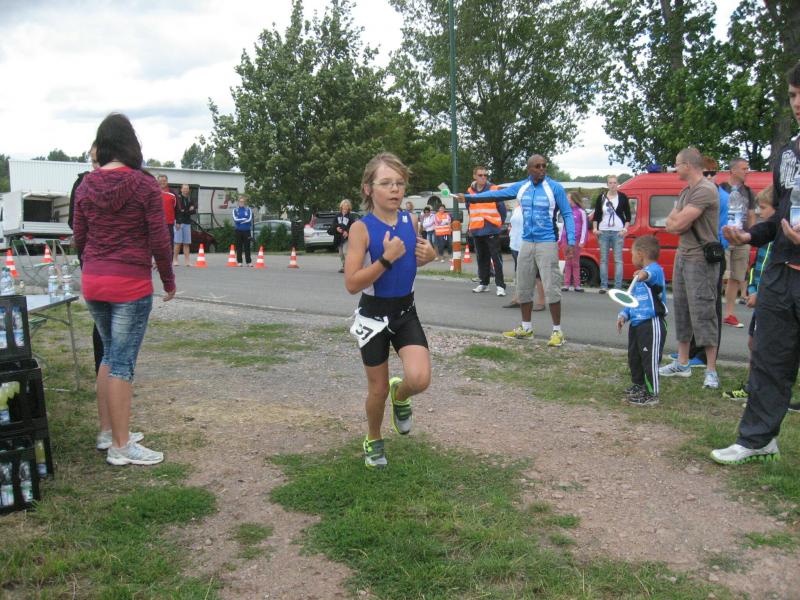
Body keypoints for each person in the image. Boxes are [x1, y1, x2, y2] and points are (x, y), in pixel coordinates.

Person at [73, 112, 175, 466]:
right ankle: (121, 445)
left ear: (102, 145)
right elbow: (159, 239)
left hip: (94, 280)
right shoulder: (144, 185)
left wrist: (92, 269)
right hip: (129, 283)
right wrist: (168, 279)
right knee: (122, 363)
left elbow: (80, 237)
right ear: (131, 144)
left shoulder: (85, 185)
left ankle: (108, 432)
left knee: (108, 355)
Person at [711, 60, 800, 464]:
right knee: (768, 360)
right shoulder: (789, 153)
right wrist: (749, 236)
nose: (796, 103)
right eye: (793, 95)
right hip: (781, 274)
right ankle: (758, 440)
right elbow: (779, 215)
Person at [344, 152, 437, 469]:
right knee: (377, 389)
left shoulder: (411, 221)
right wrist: (385, 259)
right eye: (386, 183)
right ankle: (373, 438)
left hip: (405, 311)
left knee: (420, 379)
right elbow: (352, 283)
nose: (395, 189)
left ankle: (402, 394)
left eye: (399, 183)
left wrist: (430, 256)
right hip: (373, 317)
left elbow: (414, 260)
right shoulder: (361, 228)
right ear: (368, 189)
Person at [456, 154, 575, 347]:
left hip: (547, 242)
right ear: (529, 169)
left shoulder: (554, 188)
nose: (542, 169)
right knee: (524, 286)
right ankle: (526, 328)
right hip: (526, 242)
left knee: (551, 287)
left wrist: (571, 240)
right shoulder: (522, 186)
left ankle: (557, 331)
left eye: (544, 166)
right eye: (537, 166)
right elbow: (495, 195)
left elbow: (567, 214)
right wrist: (469, 197)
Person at [659, 147, 721, 389]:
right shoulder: (686, 191)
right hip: (683, 255)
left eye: (677, 164)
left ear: (688, 165)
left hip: (700, 259)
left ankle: (711, 370)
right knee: (682, 308)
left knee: (704, 310)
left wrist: (677, 223)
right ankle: (682, 363)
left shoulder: (705, 189)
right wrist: (676, 223)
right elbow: (670, 224)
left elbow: (678, 223)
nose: (674, 168)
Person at [722, 186, 774, 402]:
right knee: (753, 342)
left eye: (764, 208)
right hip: (760, 296)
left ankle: (762, 391)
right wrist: (752, 289)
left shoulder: (783, 238)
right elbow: (756, 267)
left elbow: (777, 272)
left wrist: (761, 293)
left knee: (765, 346)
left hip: (772, 298)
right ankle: (753, 386)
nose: (760, 213)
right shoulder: (764, 236)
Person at [616, 236, 668, 407]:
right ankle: (638, 385)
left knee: (649, 359)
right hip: (636, 324)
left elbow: (650, 274)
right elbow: (631, 300)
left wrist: (642, 274)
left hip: (651, 324)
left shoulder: (654, 271)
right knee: (634, 357)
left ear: (640, 254)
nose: (631, 258)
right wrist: (624, 315)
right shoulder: (637, 279)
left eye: (632, 254)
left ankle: (652, 393)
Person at [68, 143, 104, 375]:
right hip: (92, 258)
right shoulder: (82, 183)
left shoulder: (128, 182)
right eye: (93, 161)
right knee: (101, 317)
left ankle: (113, 371)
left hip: (118, 262)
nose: (96, 165)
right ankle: (102, 370)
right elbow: (74, 223)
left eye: (99, 160)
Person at [722, 157, 756, 327]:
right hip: (725, 237)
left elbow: (751, 215)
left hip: (742, 239)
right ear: (733, 170)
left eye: (747, 168)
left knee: (736, 277)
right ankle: (713, 312)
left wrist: (752, 235)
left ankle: (729, 314)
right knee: (722, 275)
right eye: (744, 168)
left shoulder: (748, 192)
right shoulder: (721, 188)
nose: (747, 171)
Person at [466, 165, 506, 296]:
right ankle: (484, 283)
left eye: (485, 175)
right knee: (481, 258)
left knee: (496, 258)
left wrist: (498, 224)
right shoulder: (469, 191)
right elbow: (469, 209)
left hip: (491, 229)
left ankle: (500, 286)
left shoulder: (494, 189)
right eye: (480, 175)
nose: (483, 177)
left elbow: (502, 209)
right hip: (477, 229)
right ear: (474, 176)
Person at [592, 175, 631, 292]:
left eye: (614, 183)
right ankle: (604, 285)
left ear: (617, 184)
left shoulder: (622, 197)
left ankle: (617, 287)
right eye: (610, 183)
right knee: (603, 260)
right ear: (607, 184)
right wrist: (595, 229)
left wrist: (625, 229)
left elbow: (628, 216)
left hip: (618, 232)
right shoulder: (601, 197)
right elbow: (596, 215)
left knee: (618, 260)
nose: (613, 185)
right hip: (603, 231)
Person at [561, 191, 588, 292]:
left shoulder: (581, 212)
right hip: (566, 239)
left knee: (575, 262)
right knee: (567, 262)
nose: (566, 200)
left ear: (573, 199)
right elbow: (563, 226)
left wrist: (582, 240)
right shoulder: (566, 211)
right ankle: (566, 284)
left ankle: (577, 284)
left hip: (576, 240)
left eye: (568, 198)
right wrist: (560, 238)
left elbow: (584, 227)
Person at [173, 183, 196, 267]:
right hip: (179, 223)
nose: (186, 190)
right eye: (184, 188)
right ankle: (175, 260)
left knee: (186, 243)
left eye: (187, 189)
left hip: (187, 223)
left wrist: (186, 211)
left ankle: (187, 261)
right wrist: (188, 210)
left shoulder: (190, 199)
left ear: (189, 190)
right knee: (178, 242)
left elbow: (194, 211)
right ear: (181, 189)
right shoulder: (178, 198)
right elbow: (178, 211)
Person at [331, 199, 357, 273]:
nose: (345, 208)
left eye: (347, 206)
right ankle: (344, 266)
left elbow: (353, 226)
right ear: (341, 206)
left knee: (346, 252)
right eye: (344, 206)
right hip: (339, 237)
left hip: (347, 238)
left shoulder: (351, 216)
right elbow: (333, 225)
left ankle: (349, 267)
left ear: (349, 207)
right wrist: (336, 228)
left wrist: (348, 232)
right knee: (341, 253)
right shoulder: (337, 216)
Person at [232, 194, 253, 266]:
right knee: (239, 247)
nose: (241, 203)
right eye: (240, 201)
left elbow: (249, 219)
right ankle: (239, 262)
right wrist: (244, 219)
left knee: (247, 247)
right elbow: (235, 219)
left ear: (245, 202)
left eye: (243, 201)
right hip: (238, 231)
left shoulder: (248, 209)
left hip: (247, 231)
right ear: (238, 202)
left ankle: (249, 262)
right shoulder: (235, 210)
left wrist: (240, 220)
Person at [157, 174, 176, 252]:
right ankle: (157, 258)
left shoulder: (173, 194)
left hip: (169, 223)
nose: (162, 182)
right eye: (161, 181)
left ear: (167, 181)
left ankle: (169, 258)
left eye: (164, 181)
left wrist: (178, 221)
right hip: (157, 223)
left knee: (169, 243)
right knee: (157, 243)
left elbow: (176, 208)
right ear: (158, 182)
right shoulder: (153, 192)